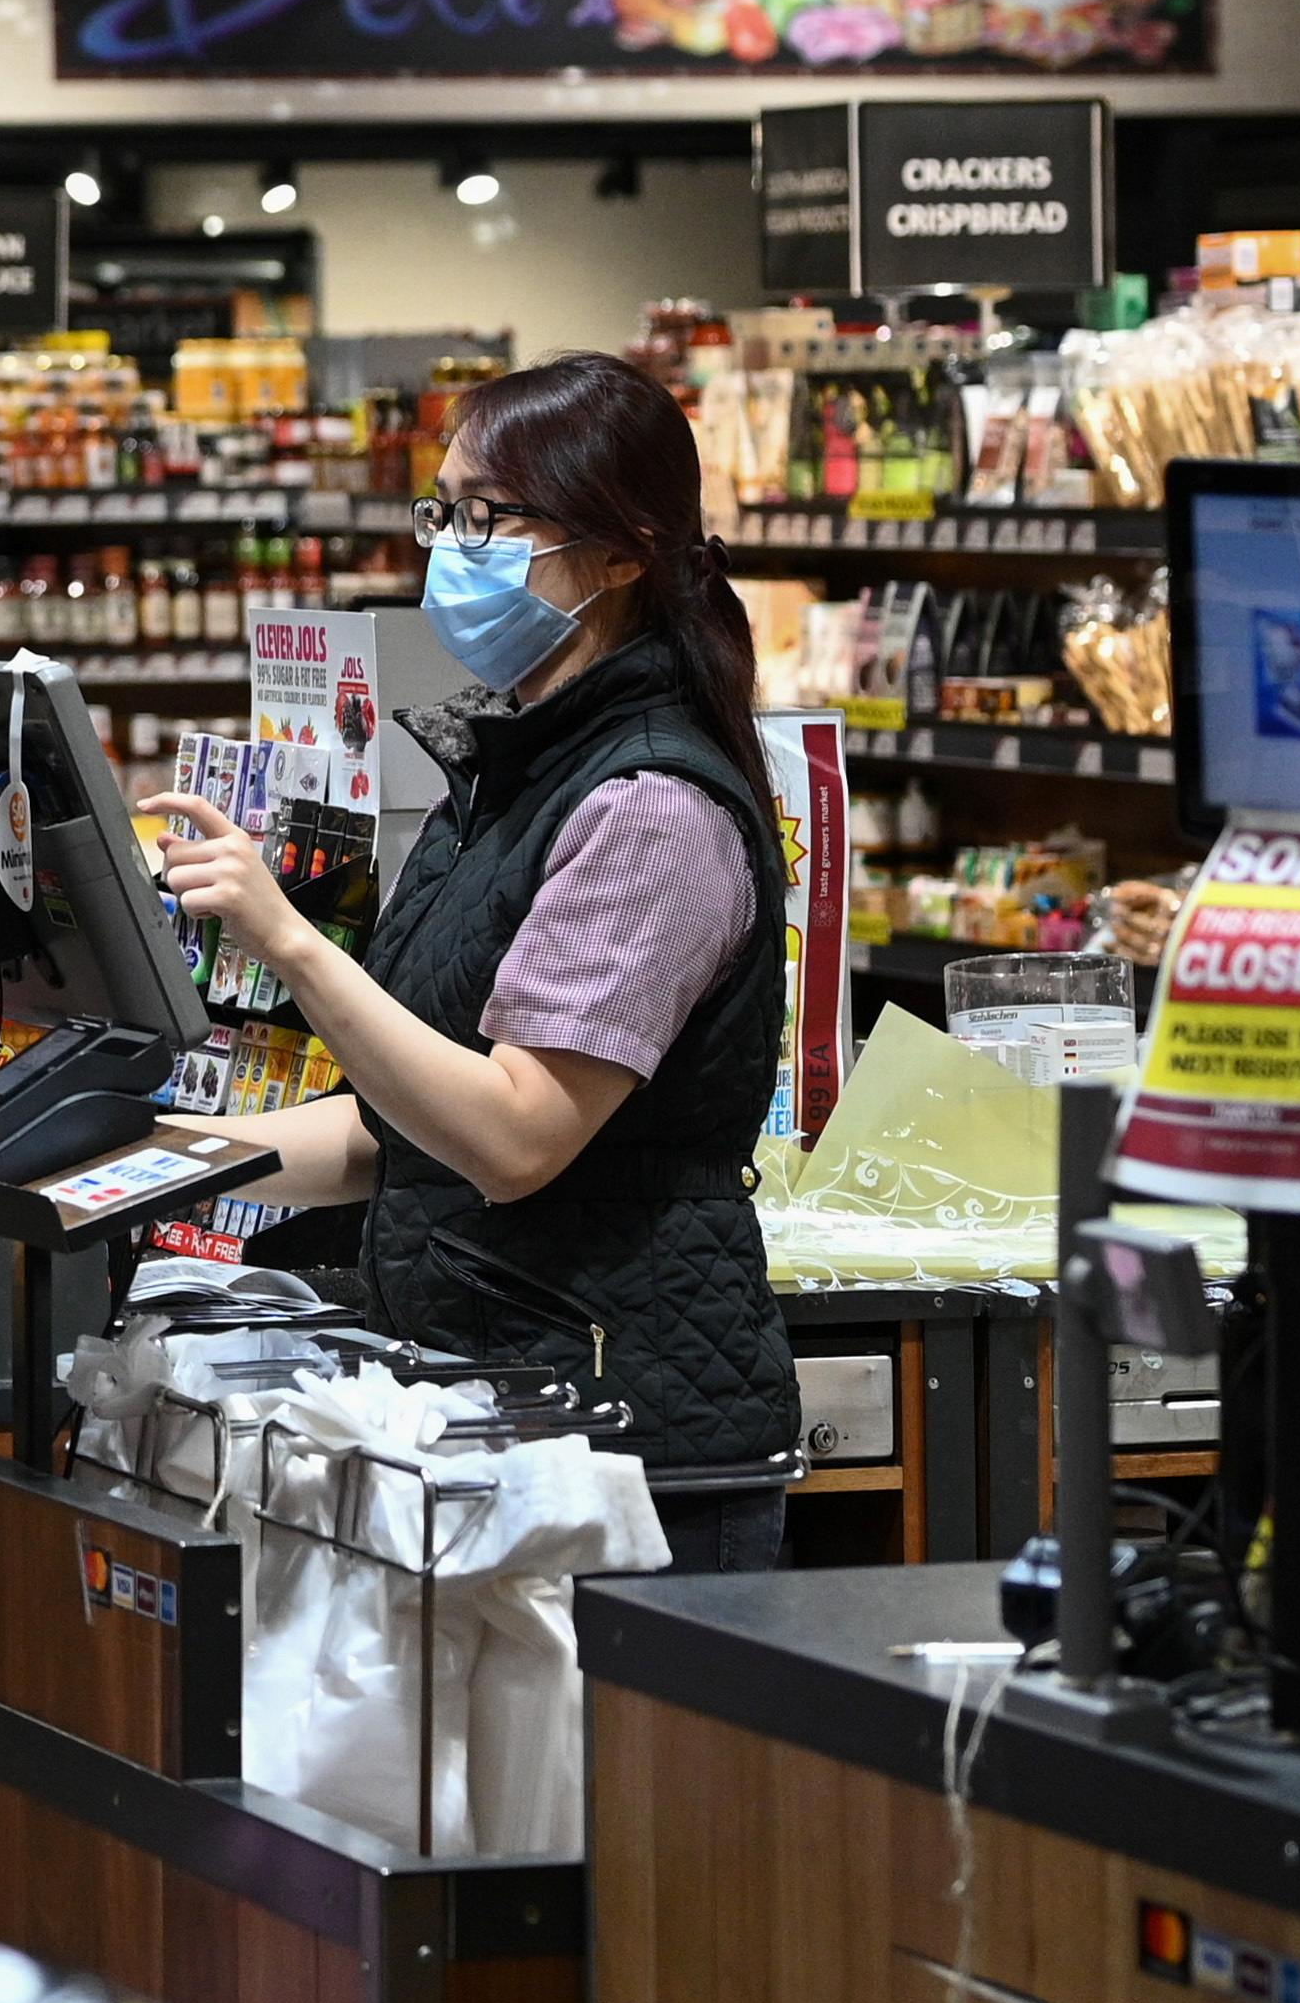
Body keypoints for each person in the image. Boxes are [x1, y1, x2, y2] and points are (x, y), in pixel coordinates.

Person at [138, 352, 802, 1572]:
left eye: (490, 517)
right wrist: (135, 1166)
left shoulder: (648, 806)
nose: (451, 544)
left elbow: (509, 1138)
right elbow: (396, 1130)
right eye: (442, 509)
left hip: (619, 1448)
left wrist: (284, 940)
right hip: (489, 1412)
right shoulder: (513, 773)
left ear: (620, 554)